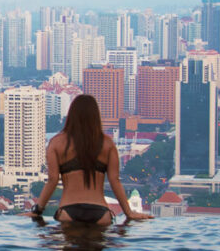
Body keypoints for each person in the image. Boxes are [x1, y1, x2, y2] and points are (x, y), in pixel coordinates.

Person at [32, 94, 152, 226]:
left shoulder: (56, 143)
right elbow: (115, 181)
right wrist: (129, 213)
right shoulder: (108, 143)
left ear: (71, 115)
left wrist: (37, 211)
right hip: (100, 212)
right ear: (96, 116)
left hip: (69, 210)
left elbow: (52, 180)